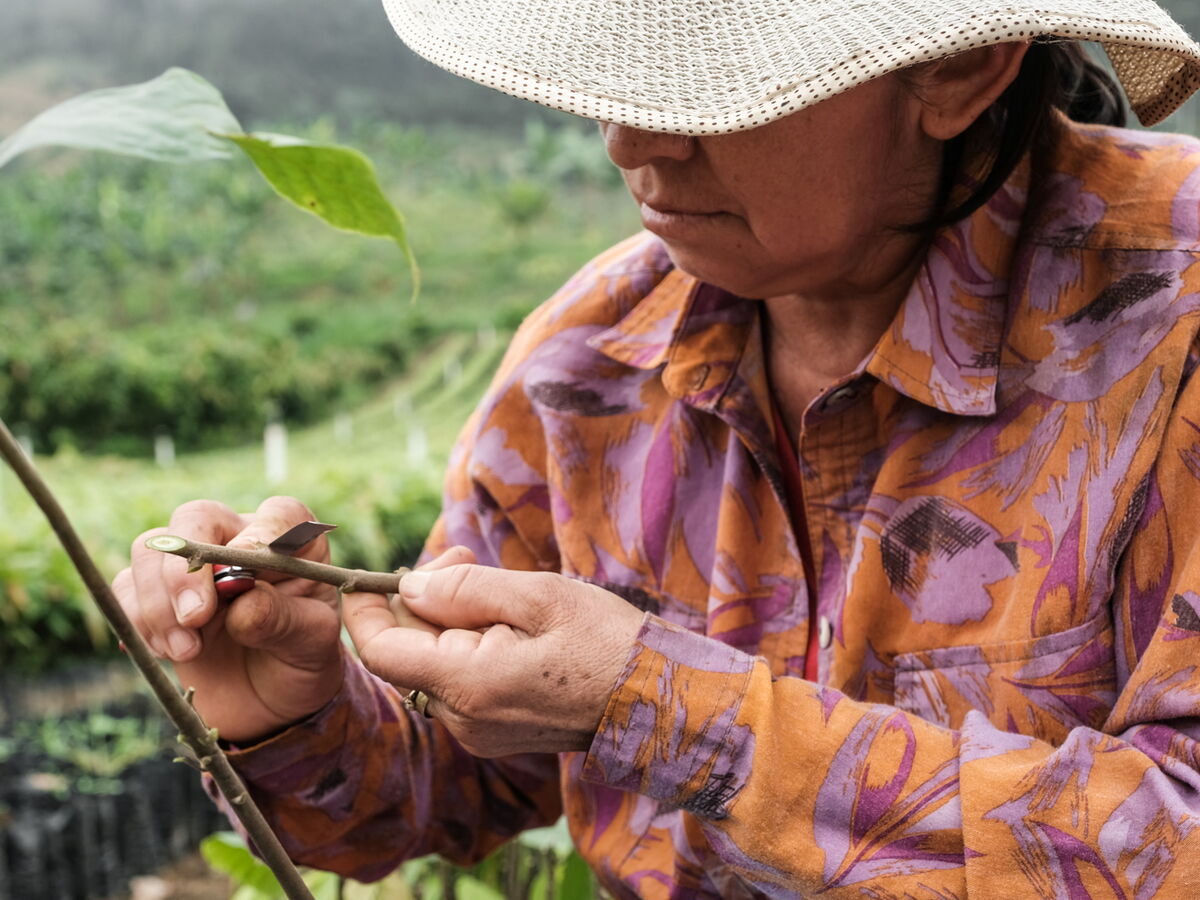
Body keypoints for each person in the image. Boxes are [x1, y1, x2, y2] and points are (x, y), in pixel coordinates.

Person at [113, 0, 1200, 895]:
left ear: (960, 69)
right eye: (614, 88)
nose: (632, 141)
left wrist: (661, 708)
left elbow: (1177, 838)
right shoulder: (586, 367)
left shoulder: (1172, 328)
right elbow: (449, 783)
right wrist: (286, 709)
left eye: (704, 92)